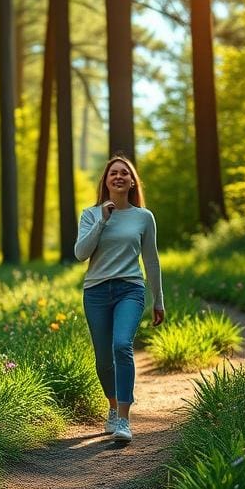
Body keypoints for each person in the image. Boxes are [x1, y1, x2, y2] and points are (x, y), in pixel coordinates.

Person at [74, 152, 164, 443]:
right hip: (96, 292)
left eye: (124, 173)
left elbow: (151, 261)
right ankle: (112, 408)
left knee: (122, 345)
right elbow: (80, 253)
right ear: (106, 181)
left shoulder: (144, 217)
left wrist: (158, 300)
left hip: (130, 289)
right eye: (113, 173)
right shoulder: (90, 214)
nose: (119, 176)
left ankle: (124, 419)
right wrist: (102, 221)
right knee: (103, 360)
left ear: (132, 181)